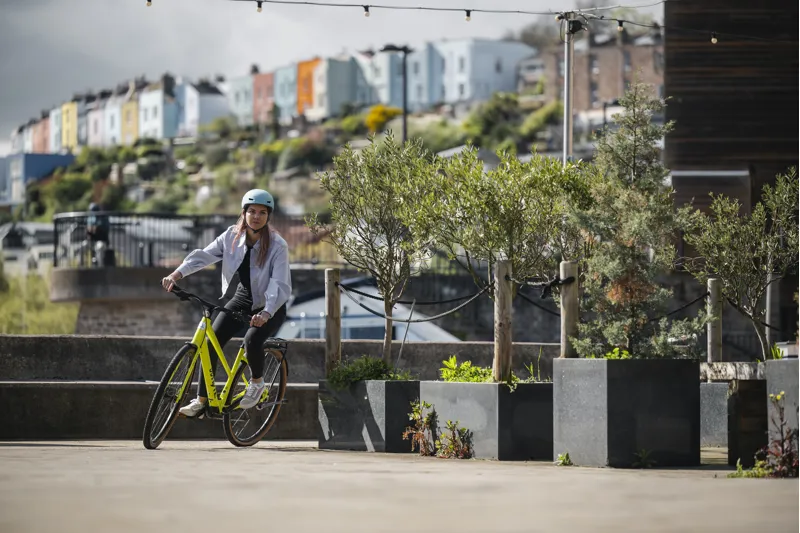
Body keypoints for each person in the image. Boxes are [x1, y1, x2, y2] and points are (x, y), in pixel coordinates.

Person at [161, 189, 292, 416]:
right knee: (211, 341)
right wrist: (176, 275)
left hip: (271, 305)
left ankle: (257, 382)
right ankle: (202, 400)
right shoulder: (231, 236)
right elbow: (204, 256)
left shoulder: (277, 246)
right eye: (252, 211)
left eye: (262, 212)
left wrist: (267, 312)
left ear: (268, 216)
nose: (257, 216)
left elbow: (279, 284)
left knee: (252, 339)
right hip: (242, 298)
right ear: (244, 213)